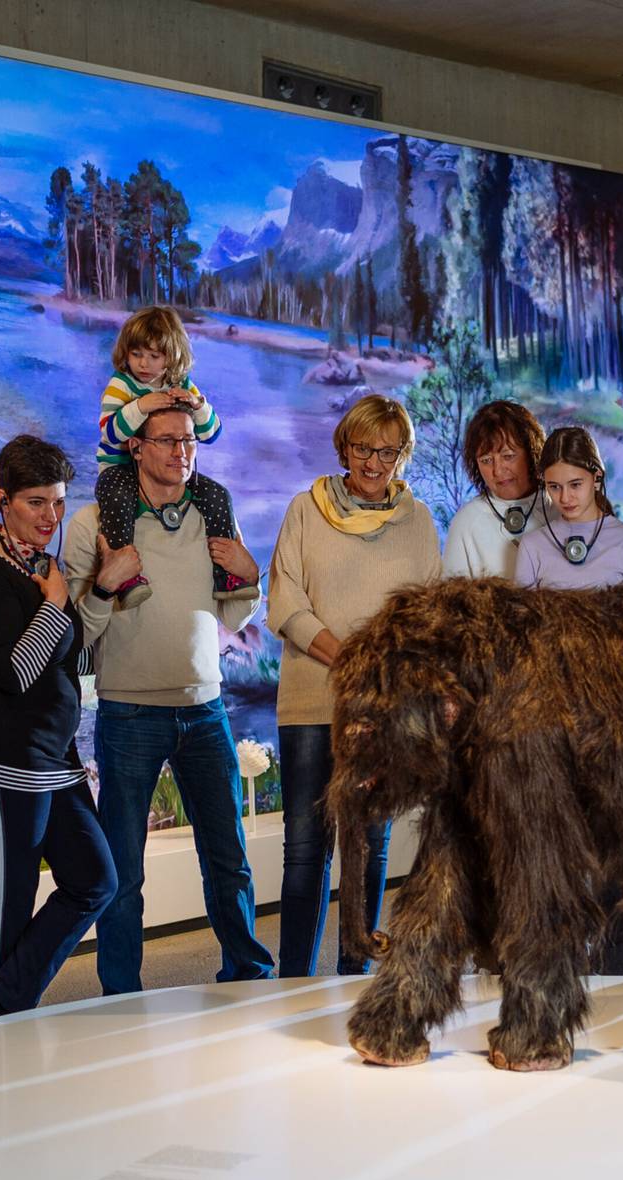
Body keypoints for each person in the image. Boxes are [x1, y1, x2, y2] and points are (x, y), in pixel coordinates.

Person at [64, 404, 275, 992]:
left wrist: (250, 576)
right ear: (136, 448)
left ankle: (248, 974)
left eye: (189, 441)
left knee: (228, 859)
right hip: (129, 713)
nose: (181, 452)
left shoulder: (212, 516)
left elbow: (231, 612)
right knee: (124, 872)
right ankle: (120, 994)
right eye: (167, 441)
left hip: (205, 709)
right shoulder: (95, 525)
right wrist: (106, 585)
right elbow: (76, 632)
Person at [267, 394, 441, 976]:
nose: (373, 462)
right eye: (364, 448)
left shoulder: (417, 522)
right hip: (313, 701)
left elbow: (427, 615)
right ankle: (292, 979)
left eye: (387, 451)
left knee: (369, 849)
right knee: (304, 850)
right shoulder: (304, 509)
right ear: (345, 447)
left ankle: (354, 973)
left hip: (384, 710)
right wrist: (350, 658)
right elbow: (286, 600)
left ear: (402, 456)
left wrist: (384, 675)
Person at [0, 435, 116, 1017]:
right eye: (36, 503)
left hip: (52, 757)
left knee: (96, 880)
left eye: (59, 502)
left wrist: (99, 593)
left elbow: (68, 661)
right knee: (13, 894)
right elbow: (16, 672)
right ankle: (0, 1027)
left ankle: (1, 1004)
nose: (52, 516)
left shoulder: (43, 564)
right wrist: (53, 604)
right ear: (3, 500)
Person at [94, 305, 241, 605]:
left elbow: (212, 434)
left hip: (169, 473)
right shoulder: (120, 385)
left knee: (217, 496)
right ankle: (126, 576)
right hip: (120, 468)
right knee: (118, 498)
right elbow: (111, 433)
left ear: (171, 357)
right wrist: (143, 406)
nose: (143, 364)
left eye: (153, 356)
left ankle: (225, 574)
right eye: (136, 354)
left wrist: (197, 405)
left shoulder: (181, 384)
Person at [514, 426, 623, 589]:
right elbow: (522, 613)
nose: (565, 498)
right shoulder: (532, 545)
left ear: (597, 478)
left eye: (575, 485)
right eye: (555, 487)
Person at [442, 399, 544, 579]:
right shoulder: (466, 523)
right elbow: (450, 603)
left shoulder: (563, 507)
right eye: (486, 460)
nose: (498, 471)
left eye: (508, 456)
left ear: (531, 452)